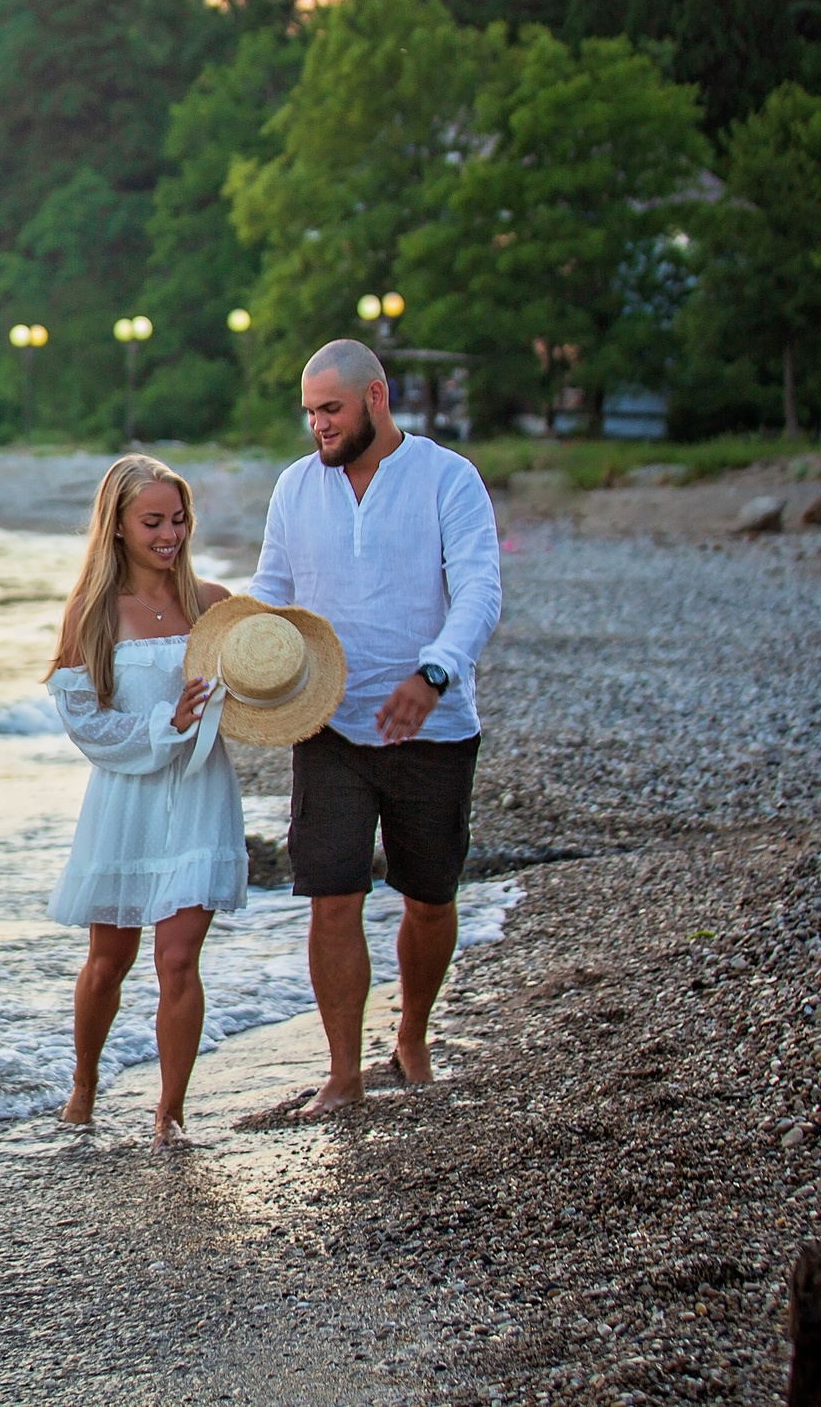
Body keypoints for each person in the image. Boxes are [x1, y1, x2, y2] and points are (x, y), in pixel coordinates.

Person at [250, 338, 502, 1118]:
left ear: (376, 397)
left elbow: (481, 591)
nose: (319, 426)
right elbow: (271, 592)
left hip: (433, 725)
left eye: (331, 409)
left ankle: (413, 1037)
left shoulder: (447, 478)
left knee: (429, 896)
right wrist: (230, 648)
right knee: (333, 895)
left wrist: (434, 674)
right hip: (326, 724)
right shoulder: (295, 487)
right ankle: (343, 1070)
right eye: (310, 412)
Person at [44, 455, 243, 1144]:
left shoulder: (212, 603)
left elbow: (257, 688)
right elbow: (87, 726)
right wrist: (170, 723)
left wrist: (232, 701)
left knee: (178, 959)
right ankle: (85, 1081)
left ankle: (170, 1111)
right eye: (153, 520)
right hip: (126, 798)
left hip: (198, 793)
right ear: (119, 526)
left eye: (179, 517)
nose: (170, 533)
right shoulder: (92, 614)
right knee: (110, 959)